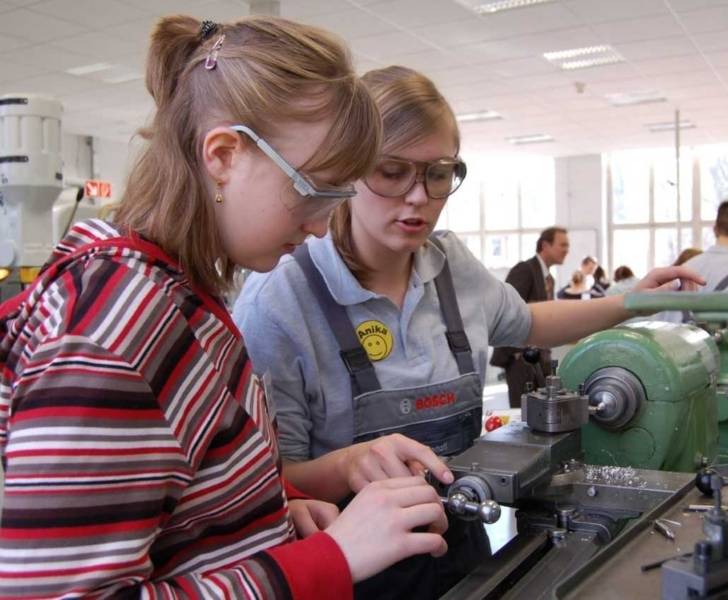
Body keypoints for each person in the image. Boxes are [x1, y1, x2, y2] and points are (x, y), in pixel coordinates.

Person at [0, 17, 452, 599]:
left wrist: (268, 514)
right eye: (314, 191)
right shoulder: (122, 327)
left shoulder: (180, 296)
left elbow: (172, 506)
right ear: (223, 155)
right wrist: (329, 561)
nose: (319, 228)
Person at [234, 65, 703, 600]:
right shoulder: (280, 300)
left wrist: (633, 300)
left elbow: (530, 322)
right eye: (391, 171)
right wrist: (346, 464)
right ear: (347, 169)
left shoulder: (450, 264)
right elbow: (273, 481)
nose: (418, 197)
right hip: (352, 570)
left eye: (438, 173)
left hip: (464, 549)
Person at [489, 226, 569, 408]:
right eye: (562, 245)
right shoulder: (525, 270)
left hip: (539, 356)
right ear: (545, 245)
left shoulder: (549, 278)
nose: (566, 250)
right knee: (522, 413)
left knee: (540, 410)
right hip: (520, 356)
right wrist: (517, 353)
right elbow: (507, 308)